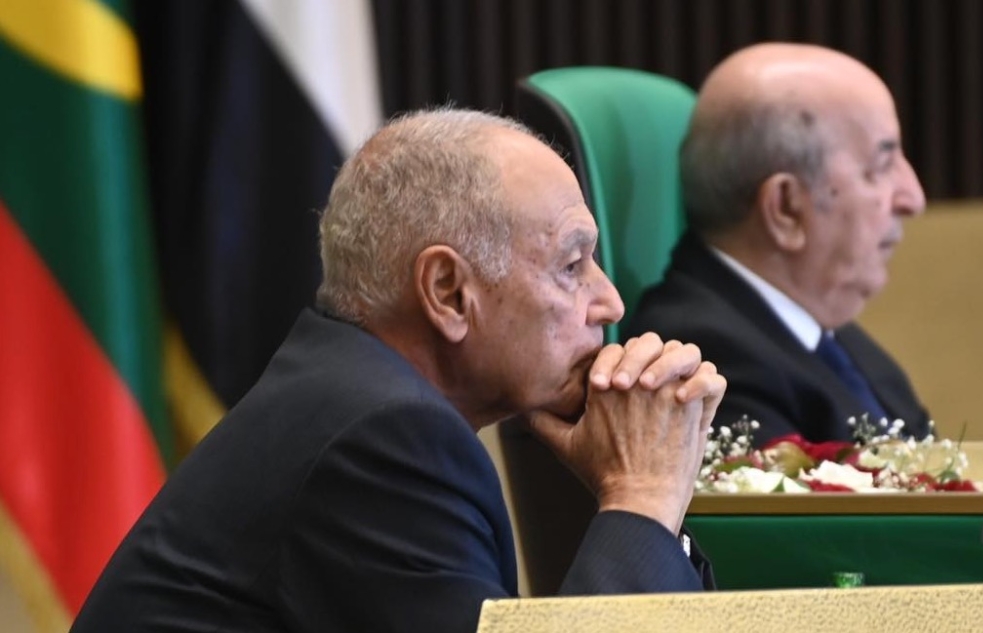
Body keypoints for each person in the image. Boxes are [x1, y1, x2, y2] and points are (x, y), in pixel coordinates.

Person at [71, 109, 725, 632]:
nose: (609, 302)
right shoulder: (384, 438)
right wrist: (642, 493)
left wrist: (648, 508)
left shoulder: (354, 398)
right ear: (448, 292)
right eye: (572, 265)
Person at [625, 43, 930, 445]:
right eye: (881, 166)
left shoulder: (834, 337)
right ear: (786, 208)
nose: (913, 198)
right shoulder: (706, 366)